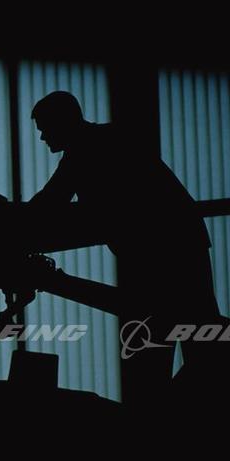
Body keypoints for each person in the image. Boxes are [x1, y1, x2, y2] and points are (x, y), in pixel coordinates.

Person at [15, 91, 220, 404]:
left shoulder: (85, 150)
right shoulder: (103, 141)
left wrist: (11, 216)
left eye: (45, 128)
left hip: (164, 252)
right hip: (181, 243)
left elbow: (52, 202)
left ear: (63, 121)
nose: (42, 137)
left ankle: (167, 410)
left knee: (170, 339)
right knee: (195, 335)